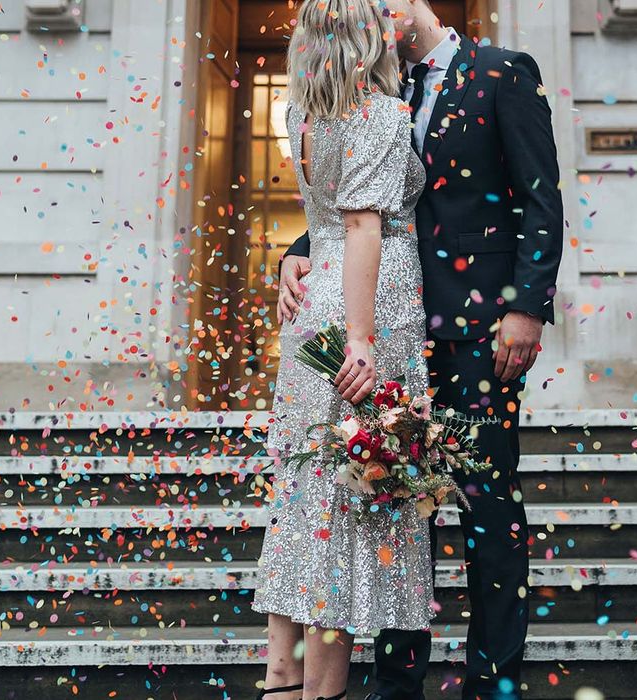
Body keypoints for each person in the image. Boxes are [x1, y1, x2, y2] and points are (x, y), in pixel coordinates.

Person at [278, 1, 564, 698]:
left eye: (385, 5)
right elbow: (362, 203)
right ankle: (396, 677)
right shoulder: (379, 86)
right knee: (394, 504)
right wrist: (296, 251)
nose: (375, 19)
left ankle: (492, 679)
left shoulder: (503, 73)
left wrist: (526, 308)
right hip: (398, 335)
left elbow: (540, 199)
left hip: (478, 337)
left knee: (486, 500)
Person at [250, 2, 436, 699]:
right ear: (370, 41)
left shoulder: (295, 115)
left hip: (313, 305)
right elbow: (362, 225)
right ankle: (320, 693)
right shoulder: (383, 115)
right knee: (354, 500)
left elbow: (325, 221)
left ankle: (280, 676)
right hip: (368, 311)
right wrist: (361, 340)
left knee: (306, 492)